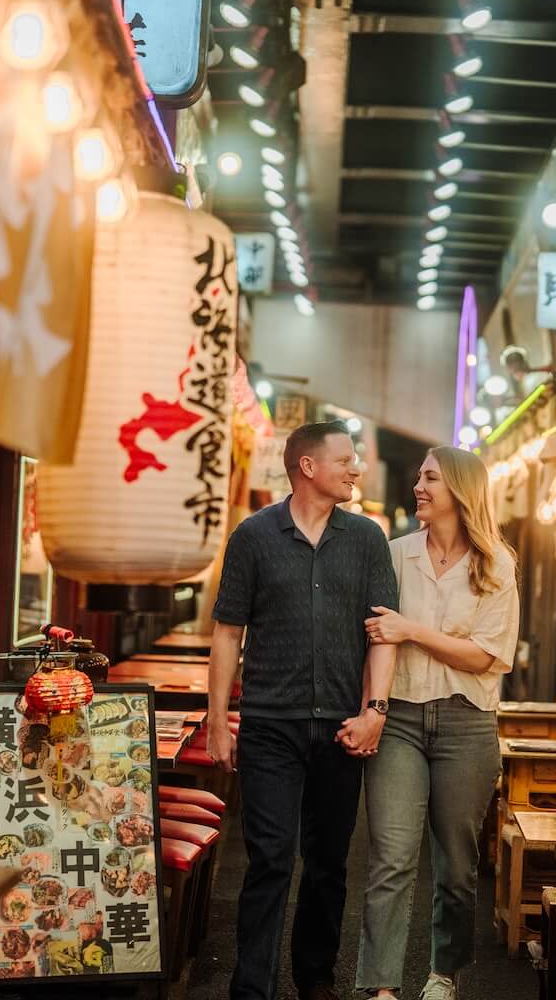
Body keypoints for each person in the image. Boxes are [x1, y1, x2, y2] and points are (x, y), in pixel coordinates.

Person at [207, 420, 400, 1000]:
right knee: (268, 859)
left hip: (342, 724)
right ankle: (252, 988)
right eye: (345, 459)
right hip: (270, 724)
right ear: (308, 467)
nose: (356, 469)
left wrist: (375, 710)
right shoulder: (253, 536)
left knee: (328, 862)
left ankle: (316, 979)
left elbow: (383, 633)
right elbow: (227, 633)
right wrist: (217, 721)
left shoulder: (366, 539)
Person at [356, 446, 519, 1000]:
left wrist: (413, 631)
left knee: (455, 867)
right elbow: (378, 636)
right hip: (400, 717)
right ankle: (380, 986)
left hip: (467, 724)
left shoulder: (496, 564)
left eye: (430, 478)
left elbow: (485, 656)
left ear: (460, 490)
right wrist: (372, 706)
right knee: (391, 859)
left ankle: (443, 975)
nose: (418, 487)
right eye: (420, 477)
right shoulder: (395, 554)